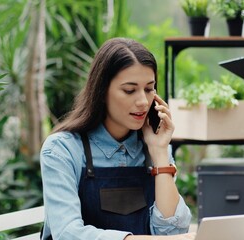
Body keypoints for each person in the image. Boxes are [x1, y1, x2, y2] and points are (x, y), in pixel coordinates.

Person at [40, 37, 195, 240]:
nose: (142, 101)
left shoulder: (155, 148)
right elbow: (68, 233)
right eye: (129, 90)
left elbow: (173, 232)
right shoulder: (62, 149)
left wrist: (159, 153)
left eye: (149, 89)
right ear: (102, 92)